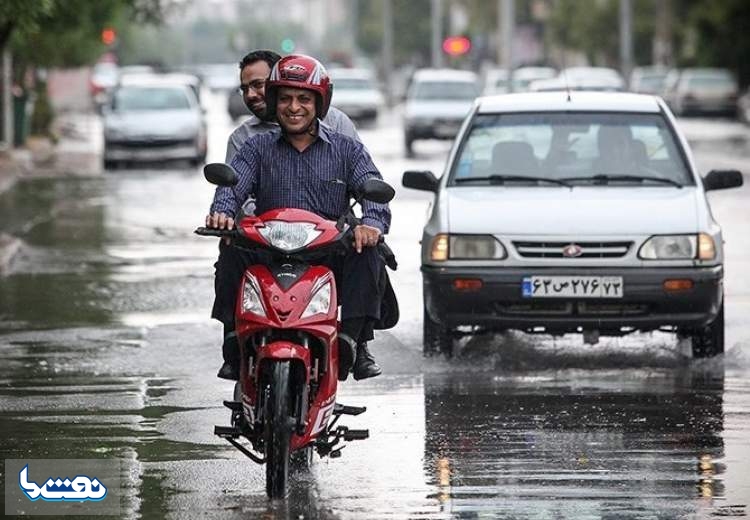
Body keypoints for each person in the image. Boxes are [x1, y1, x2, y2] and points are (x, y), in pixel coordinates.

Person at [207, 54, 395, 382]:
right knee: (230, 249)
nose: (294, 107)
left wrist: (373, 225)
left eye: (304, 99)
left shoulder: (347, 149)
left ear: (319, 104)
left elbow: (372, 191)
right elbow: (231, 188)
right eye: (286, 99)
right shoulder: (256, 148)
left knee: (370, 256)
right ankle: (233, 342)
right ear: (275, 102)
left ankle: (353, 341)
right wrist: (222, 214)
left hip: (329, 251)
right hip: (268, 251)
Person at [225, 49, 359, 163]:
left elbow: (364, 177)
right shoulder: (242, 139)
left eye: (258, 84)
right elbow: (233, 190)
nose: (250, 95)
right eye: (244, 89)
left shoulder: (337, 123)